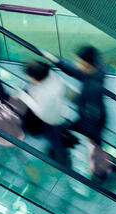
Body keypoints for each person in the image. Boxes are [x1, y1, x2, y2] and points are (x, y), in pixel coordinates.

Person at [41, 46, 110, 179]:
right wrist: (56, 61)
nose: (77, 64)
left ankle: (96, 173)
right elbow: (76, 72)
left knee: (73, 140)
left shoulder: (93, 87)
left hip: (91, 124)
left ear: (88, 65)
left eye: (80, 62)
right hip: (90, 120)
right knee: (63, 135)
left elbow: (92, 114)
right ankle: (94, 170)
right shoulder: (96, 72)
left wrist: (77, 100)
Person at [18, 60, 70, 166]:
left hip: (50, 119)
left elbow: (41, 113)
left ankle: (62, 159)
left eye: (29, 76)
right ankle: (62, 150)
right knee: (55, 136)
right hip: (59, 113)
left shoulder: (43, 93)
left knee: (54, 138)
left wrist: (25, 97)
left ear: (34, 78)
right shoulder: (52, 76)